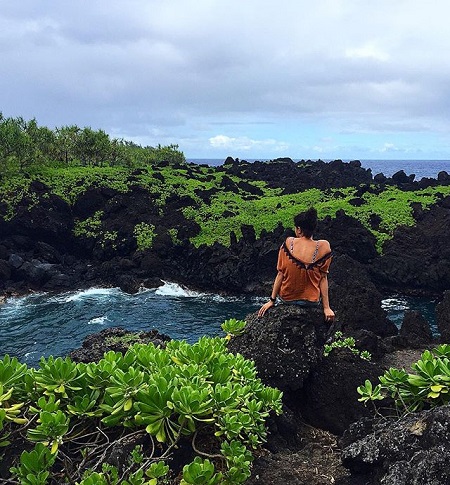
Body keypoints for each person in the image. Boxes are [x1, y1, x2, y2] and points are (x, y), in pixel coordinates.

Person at [258, 207, 335, 322]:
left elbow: (280, 274)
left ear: (299, 229)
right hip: (311, 302)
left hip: (287, 299)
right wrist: (326, 308)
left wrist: (272, 300)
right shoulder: (324, 247)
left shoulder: (289, 243)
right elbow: (323, 278)